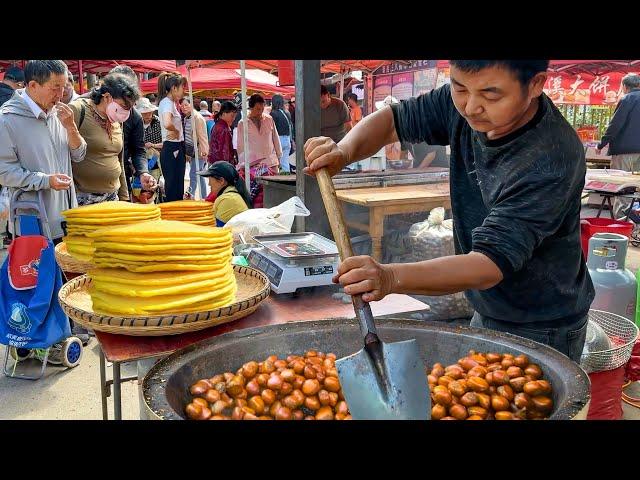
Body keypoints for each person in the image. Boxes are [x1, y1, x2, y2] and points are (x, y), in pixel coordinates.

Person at [304, 60, 595, 362]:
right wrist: (344, 151)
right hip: (486, 306)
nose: (470, 107)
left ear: (535, 84)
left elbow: (488, 264)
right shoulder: (463, 103)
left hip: (543, 322)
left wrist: (389, 277)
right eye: (459, 88)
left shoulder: (551, 157)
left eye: (491, 95)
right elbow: (394, 121)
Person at [0, 60, 86, 240]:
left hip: (68, 217)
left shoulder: (60, 114)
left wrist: (71, 128)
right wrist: (46, 181)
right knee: (39, 268)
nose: (61, 95)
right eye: (55, 88)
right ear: (32, 85)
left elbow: (79, 155)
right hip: (33, 220)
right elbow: (5, 173)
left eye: (64, 87)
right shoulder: (6, 119)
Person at [69, 72, 140, 205]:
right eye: (124, 106)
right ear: (107, 97)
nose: (127, 112)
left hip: (113, 196)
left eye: (129, 107)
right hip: (83, 197)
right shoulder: (78, 110)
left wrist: (124, 195)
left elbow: (118, 158)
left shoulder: (116, 118)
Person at [597, 73, 640, 218]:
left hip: (624, 151)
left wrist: (601, 143)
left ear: (624, 87)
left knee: (622, 187)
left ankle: (622, 223)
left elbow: (616, 124)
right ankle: (636, 224)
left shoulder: (627, 99)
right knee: (637, 187)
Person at [109, 65, 156, 196]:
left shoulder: (134, 116)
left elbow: (138, 150)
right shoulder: (86, 106)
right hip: (85, 185)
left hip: (120, 180)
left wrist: (143, 172)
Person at [237, 94, 282, 208]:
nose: (260, 111)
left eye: (262, 108)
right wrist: (243, 165)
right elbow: (241, 146)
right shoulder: (243, 123)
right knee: (259, 195)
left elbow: (275, 138)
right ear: (251, 108)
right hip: (255, 166)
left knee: (274, 192)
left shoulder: (269, 119)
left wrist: (279, 156)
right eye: (258, 109)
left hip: (271, 163)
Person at [157, 71, 187, 202]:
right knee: (174, 187)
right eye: (182, 88)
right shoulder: (167, 103)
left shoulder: (170, 103)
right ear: (174, 88)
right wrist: (175, 130)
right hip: (171, 146)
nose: (183, 92)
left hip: (174, 146)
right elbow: (167, 122)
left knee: (177, 185)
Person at [198, 161, 251, 226]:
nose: (209, 184)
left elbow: (217, 229)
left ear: (221, 181)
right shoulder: (231, 194)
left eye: (210, 179)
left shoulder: (228, 199)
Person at [179, 98, 209, 200]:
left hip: (199, 151)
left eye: (186, 105)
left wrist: (204, 153)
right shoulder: (186, 117)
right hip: (191, 151)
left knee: (193, 173)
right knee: (199, 175)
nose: (184, 107)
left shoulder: (197, 118)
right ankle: (204, 198)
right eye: (182, 106)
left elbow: (203, 137)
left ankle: (190, 195)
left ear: (192, 105)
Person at [207, 101, 238, 166]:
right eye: (232, 116)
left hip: (214, 164)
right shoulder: (223, 129)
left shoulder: (218, 125)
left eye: (235, 116)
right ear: (224, 114)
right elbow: (224, 153)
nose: (234, 119)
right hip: (220, 167)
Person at [269, 94, 294, 173]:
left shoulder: (273, 113)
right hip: (287, 140)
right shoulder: (287, 113)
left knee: (275, 164)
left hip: (278, 140)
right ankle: (286, 179)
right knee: (285, 163)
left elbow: (271, 130)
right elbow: (291, 127)